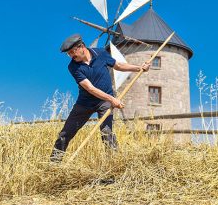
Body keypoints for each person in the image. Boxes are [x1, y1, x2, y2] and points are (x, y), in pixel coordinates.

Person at [50, 34, 150, 162]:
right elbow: (90, 88)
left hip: (104, 102)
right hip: (85, 103)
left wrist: (139, 68)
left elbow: (118, 65)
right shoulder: (73, 67)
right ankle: (53, 164)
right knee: (65, 133)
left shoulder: (101, 53)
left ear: (81, 47)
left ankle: (114, 165)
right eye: (68, 54)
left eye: (72, 52)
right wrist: (112, 99)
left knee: (107, 133)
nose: (71, 56)